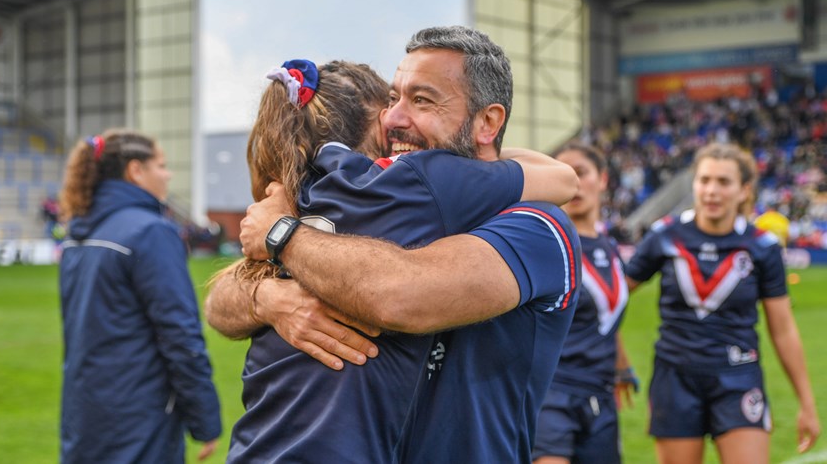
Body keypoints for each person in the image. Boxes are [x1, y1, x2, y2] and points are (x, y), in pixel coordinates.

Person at [215, 25, 581, 463]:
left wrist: (283, 237)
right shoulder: (387, 199)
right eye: (393, 99)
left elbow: (400, 294)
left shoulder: (535, 225)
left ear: (487, 122)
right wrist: (267, 297)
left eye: (422, 100)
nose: (393, 118)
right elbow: (220, 300)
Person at [625, 142, 820, 464]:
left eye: (723, 182)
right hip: (675, 378)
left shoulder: (762, 247)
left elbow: (783, 330)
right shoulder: (664, 236)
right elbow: (610, 299)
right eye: (705, 180)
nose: (712, 191)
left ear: (744, 190)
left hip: (739, 377)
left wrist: (807, 402)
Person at [58, 130, 221, 463]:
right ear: (135, 171)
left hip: (83, 412)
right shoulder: (150, 232)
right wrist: (205, 418)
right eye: (160, 165)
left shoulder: (79, 234)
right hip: (139, 418)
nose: (168, 174)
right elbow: (180, 332)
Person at [532, 142, 636, 464]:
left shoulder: (612, 248)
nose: (573, 182)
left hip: (601, 398)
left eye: (581, 172)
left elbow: (606, 319)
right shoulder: (541, 242)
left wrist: (622, 367)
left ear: (603, 179)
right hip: (551, 394)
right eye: (562, 174)